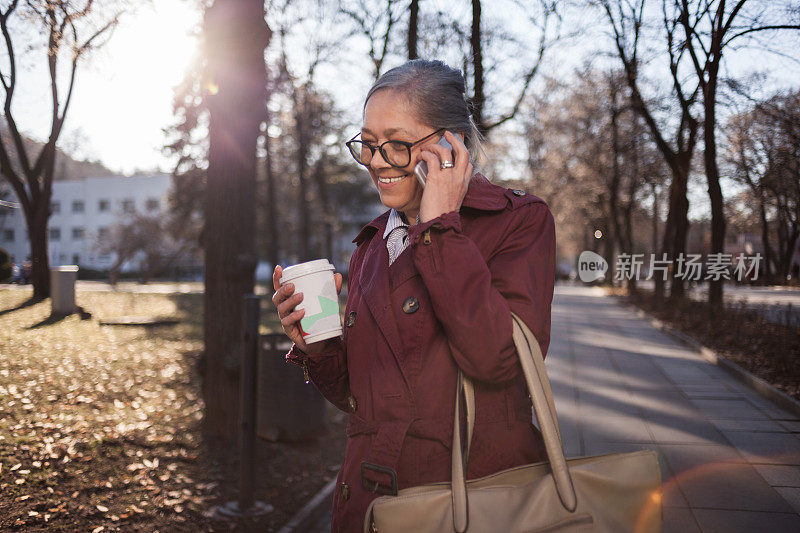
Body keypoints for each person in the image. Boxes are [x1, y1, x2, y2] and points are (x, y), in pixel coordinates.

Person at [271, 59, 556, 532]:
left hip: (470, 504)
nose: (378, 161)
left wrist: (439, 227)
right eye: (368, 143)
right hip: (368, 505)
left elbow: (499, 360)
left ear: (451, 144)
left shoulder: (518, 222)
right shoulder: (372, 242)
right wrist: (313, 343)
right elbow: (364, 400)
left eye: (397, 144)